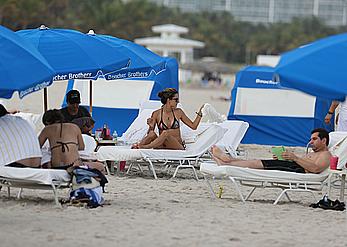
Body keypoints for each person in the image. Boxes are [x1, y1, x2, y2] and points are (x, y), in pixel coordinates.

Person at [211, 128, 331, 174]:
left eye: (314, 139)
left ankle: (227, 161)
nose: (311, 142)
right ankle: (228, 161)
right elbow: (301, 161)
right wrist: (284, 158)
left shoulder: (326, 155)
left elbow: (315, 169)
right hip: (291, 166)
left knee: (257, 163)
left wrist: (295, 158)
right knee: (256, 162)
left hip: (296, 170)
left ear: (324, 140)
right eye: (311, 139)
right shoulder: (313, 153)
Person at [132, 88, 204, 149]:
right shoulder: (156, 114)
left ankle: (142, 147)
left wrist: (200, 113)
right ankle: (140, 145)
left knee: (165, 133)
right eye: (176, 100)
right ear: (168, 100)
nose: (178, 102)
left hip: (176, 145)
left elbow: (194, 126)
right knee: (152, 134)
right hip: (161, 145)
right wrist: (150, 127)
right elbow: (149, 133)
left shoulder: (178, 112)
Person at [38, 109, 105, 173]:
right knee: (101, 166)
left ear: (47, 122)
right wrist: (71, 147)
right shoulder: (75, 127)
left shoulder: (47, 129)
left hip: (57, 166)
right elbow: (81, 147)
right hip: (74, 164)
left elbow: (36, 147)